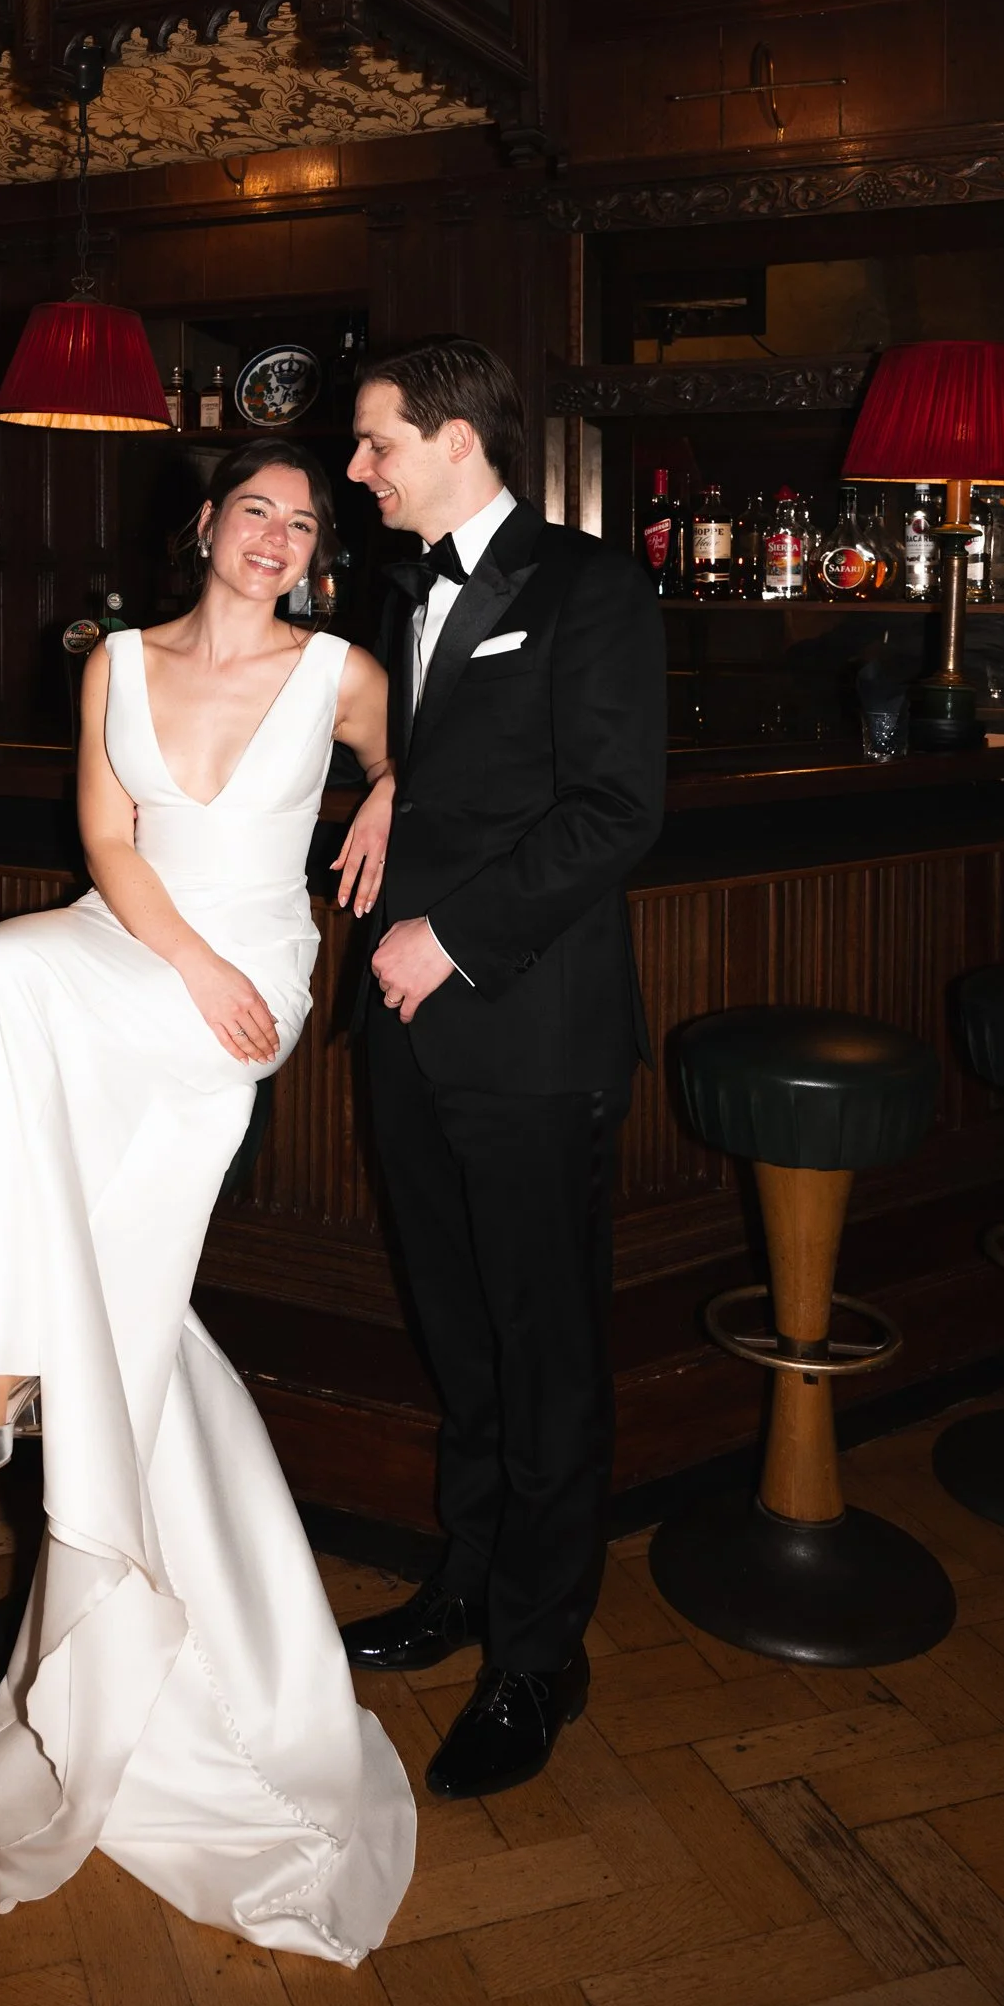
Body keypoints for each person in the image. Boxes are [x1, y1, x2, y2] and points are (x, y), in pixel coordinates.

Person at [0, 439, 415, 1965]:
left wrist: (389, 792)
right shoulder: (116, 661)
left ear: (317, 554)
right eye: (253, 509)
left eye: (302, 523)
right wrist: (176, 958)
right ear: (204, 525)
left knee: (114, 1276)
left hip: (248, 986)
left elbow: (422, 758)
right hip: (128, 945)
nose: (274, 535)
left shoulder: (338, 671)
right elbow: (109, 840)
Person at [342, 336, 665, 1800]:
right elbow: (454, 758)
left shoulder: (588, 586)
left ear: (457, 440)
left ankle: (540, 1657)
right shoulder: (392, 587)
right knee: (457, 1336)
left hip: (527, 1030)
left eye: (375, 444)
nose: (359, 471)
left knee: (544, 1361)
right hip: (411, 1039)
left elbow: (612, 811)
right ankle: (465, 1585)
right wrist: (387, 789)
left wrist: (448, 936)